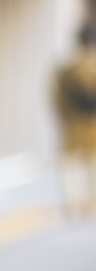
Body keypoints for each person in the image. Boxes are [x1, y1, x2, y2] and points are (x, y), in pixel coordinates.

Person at [54, 24, 96, 217]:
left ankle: (73, 202)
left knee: (71, 166)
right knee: (89, 166)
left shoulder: (65, 69)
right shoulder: (87, 70)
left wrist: (64, 117)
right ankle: (87, 202)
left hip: (71, 127)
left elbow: (56, 98)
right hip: (89, 128)